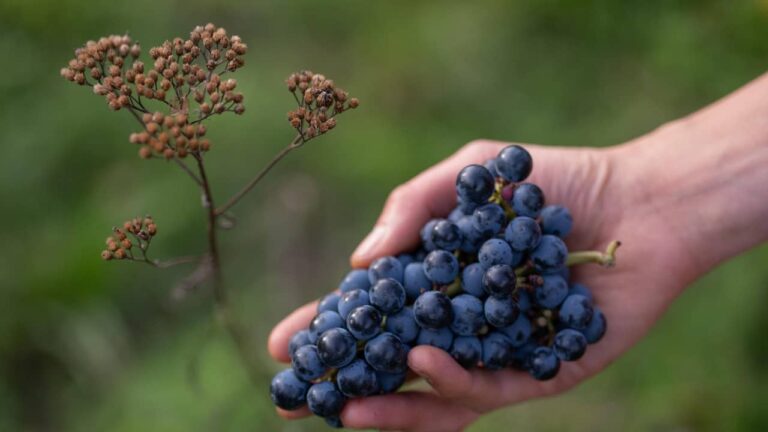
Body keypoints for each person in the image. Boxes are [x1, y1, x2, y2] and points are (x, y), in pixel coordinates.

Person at [267, 72, 768, 431]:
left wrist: (636, 194)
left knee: (434, 325)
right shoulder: (498, 260)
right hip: (466, 292)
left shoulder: (516, 262)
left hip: (483, 292)